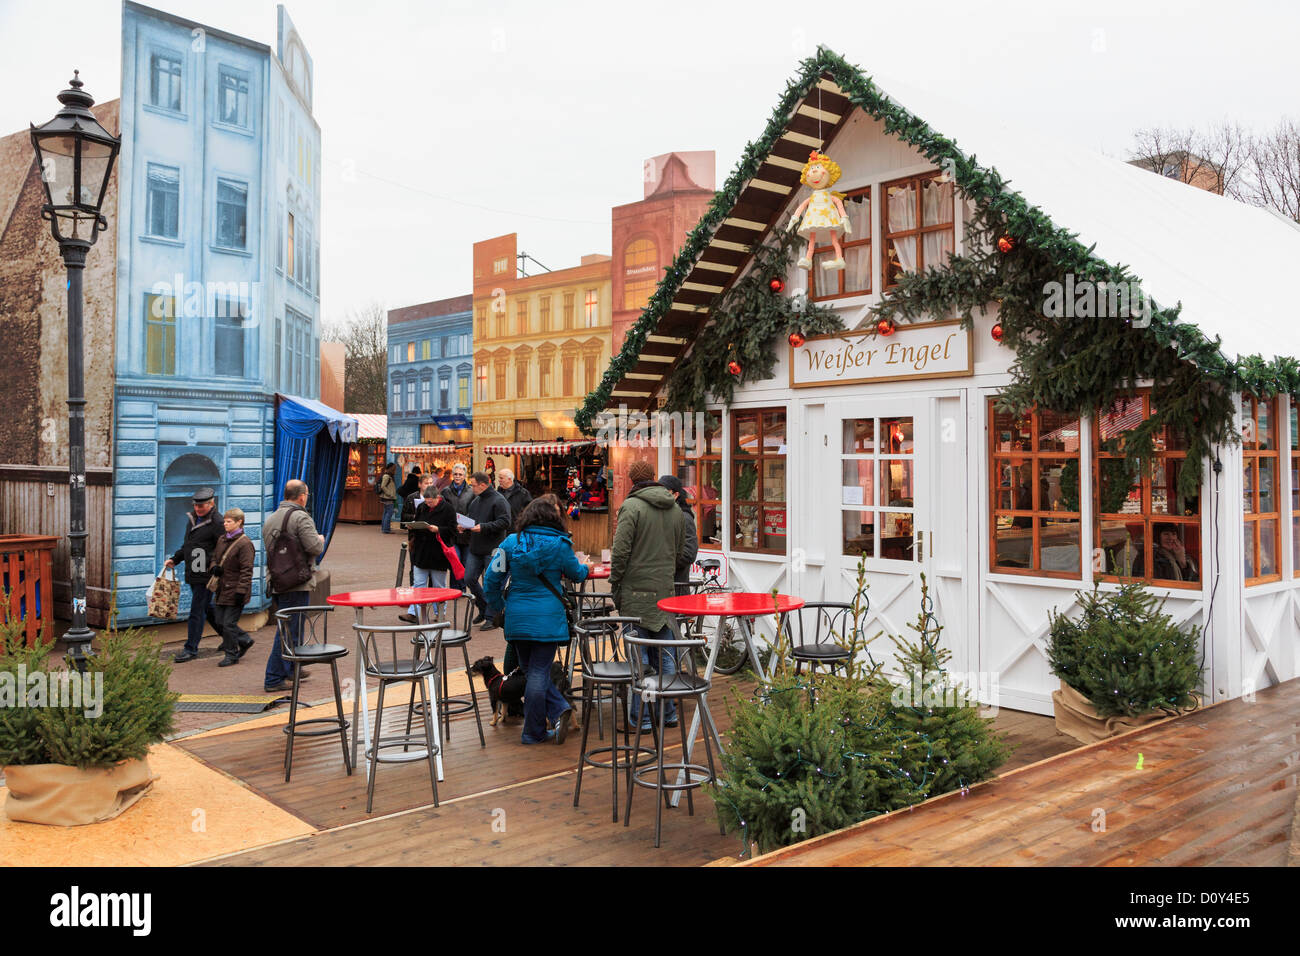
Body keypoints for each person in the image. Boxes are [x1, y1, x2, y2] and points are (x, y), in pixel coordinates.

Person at [484, 495, 593, 745]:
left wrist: (502, 607)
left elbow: (491, 580)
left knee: (532, 671)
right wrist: (585, 566)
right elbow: (576, 574)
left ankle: (552, 715)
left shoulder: (511, 542)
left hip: (518, 618)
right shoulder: (561, 544)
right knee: (538, 673)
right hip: (547, 619)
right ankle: (535, 730)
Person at [611, 460, 685, 729]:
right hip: (664, 591)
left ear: (632, 480)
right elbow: (679, 552)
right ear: (654, 477)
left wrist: (615, 580)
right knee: (665, 656)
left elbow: (620, 552)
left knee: (640, 658)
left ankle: (641, 718)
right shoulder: (674, 508)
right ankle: (668, 714)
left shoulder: (631, 507)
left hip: (635, 592)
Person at [263, 479, 325, 692]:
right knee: (288, 630)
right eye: (306, 494)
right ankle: (273, 677)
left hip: (277, 580)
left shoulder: (271, 518)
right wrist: (320, 539)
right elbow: (313, 547)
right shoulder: (301, 517)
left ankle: (289, 668)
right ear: (301, 496)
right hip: (296, 581)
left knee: (291, 628)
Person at [164, 486, 223, 663]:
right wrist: (175, 559)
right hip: (194, 570)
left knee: (197, 611)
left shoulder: (217, 523)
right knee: (207, 608)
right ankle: (236, 639)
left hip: (206, 573)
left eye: (202, 506)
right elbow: (188, 545)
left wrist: (215, 567)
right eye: (196, 506)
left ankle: (191, 649)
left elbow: (222, 549)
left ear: (211, 504)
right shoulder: (192, 519)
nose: (198, 509)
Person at [398, 473, 459, 624]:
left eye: (431, 502)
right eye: (426, 501)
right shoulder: (422, 507)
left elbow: (453, 530)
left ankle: (440, 614)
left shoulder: (448, 509)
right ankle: (415, 613)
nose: (428, 504)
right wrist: (413, 527)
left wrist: (438, 529)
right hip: (421, 552)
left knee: (438, 586)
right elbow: (416, 522)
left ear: (438, 498)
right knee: (418, 584)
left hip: (438, 554)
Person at [464, 471, 512, 630]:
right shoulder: (476, 501)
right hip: (475, 547)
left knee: (493, 583)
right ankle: (484, 607)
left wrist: (483, 527)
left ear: (483, 485)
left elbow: (505, 522)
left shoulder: (499, 500)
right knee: (469, 578)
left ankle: (492, 617)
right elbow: (472, 520)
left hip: (494, 549)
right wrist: (464, 526)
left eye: (474, 485)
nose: (472, 488)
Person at [209, 508, 256, 666]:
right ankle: (244, 639)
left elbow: (247, 569)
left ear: (239, 522)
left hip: (236, 589)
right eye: (225, 521)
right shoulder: (222, 539)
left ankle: (231, 654)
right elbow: (214, 557)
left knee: (228, 623)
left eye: (229, 521)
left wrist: (241, 590)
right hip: (222, 587)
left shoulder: (245, 543)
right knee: (220, 621)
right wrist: (214, 567)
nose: (225, 524)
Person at [659, 474, 699, 595]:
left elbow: (689, 553)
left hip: (676, 587)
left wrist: (660, 560)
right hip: (660, 586)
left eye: (664, 492)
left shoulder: (685, 518)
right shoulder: (659, 514)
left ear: (675, 495)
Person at [378, 462, 398, 534]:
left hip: (386, 497)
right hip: (388, 498)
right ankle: (386, 529)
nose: (395, 470)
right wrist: (390, 494)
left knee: (386, 512)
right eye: (394, 469)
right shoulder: (387, 476)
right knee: (389, 513)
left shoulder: (388, 476)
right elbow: (383, 486)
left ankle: (384, 528)